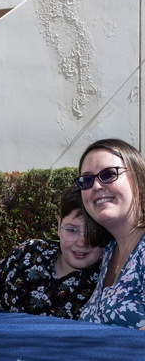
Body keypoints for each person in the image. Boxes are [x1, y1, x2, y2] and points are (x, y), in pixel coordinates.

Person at [0, 185, 105, 319]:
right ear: (59, 226)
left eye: (93, 233)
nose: (82, 242)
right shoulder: (28, 253)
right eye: (72, 230)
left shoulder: (104, 281)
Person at [75, 138, 145, 329]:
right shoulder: (108, 251)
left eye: (108, 174)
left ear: (138, 178)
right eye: (87, 180)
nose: (96, 186)